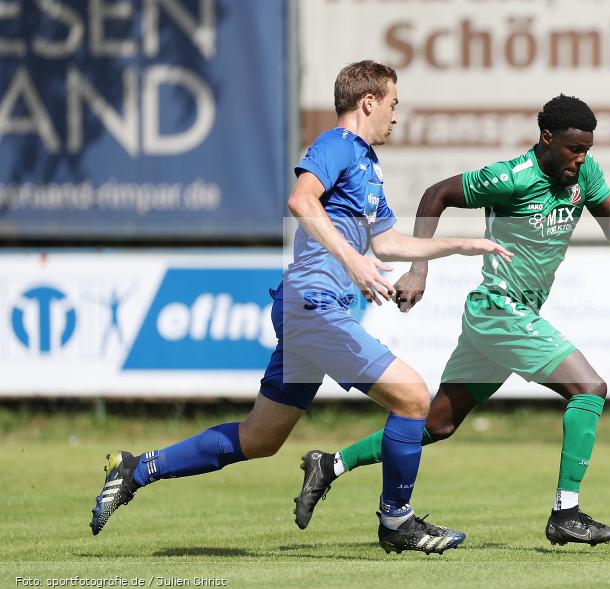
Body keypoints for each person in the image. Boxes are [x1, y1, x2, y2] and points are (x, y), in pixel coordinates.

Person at [89, 60, 513, 555]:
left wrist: (461, 245)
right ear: (368, 102)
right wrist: (353, 261)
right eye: (393, 105)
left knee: (260, 438)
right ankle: (397, 522)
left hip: (310, 310)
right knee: (414, 398)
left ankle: (137, 468)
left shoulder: (367, 165)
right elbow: (300, 200)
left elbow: (389, 242)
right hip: (313, 305)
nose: (396, 116)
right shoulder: (336, 145)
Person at [294, 94, 610, 547]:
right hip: (500, 308)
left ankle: (330, 464)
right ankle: (566, 512)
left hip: (510, 315)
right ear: (548, 138)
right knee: (589, 389)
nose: (582, 158)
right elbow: (435, 194)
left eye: (587, 149)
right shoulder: (510, 177)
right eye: (575, 149)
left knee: (437, 425)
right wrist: (419, 269)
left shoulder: (584, 174)